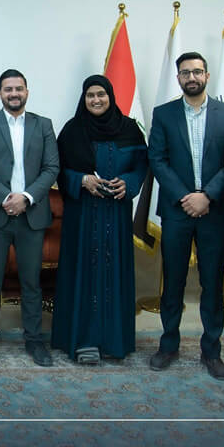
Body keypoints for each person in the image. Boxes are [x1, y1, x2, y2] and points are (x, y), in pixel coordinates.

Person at [147, 52, 224, 379]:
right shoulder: (163, 114)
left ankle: (211, 351)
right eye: (186, 72)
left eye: (197, 72)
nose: (192, 77)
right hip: (178, 210)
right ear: (178, 78)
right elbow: (157, 159)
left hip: (215, 211)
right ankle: (168, 345)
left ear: (207, 76)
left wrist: (207, 196)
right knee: (172, 280)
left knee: (212, 283)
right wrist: (185, 197)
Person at [52, 75, 148, 362]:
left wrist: (129, 183)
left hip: (116, 216)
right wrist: (81, 180)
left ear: (110, 96)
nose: (96, 100)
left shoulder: (129, 128)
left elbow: (141, 165)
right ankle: (84, 340)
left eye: (101, 94)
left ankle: (113, 342)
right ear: (84, 99)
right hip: (82, 217)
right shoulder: (72, 130)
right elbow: (56, 169)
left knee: (113, 273)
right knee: (83, 273)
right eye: (90, 95)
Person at [0, 69, 59, 367]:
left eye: (19, 88)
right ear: (0, 94)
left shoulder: (43, 125)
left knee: (31, 283)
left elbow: (51, 167)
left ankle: (34, 341)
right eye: (8, 89)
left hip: (32, 214)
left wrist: (26, 198)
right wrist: (6, 198)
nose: (14, 93)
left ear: (27, 91)